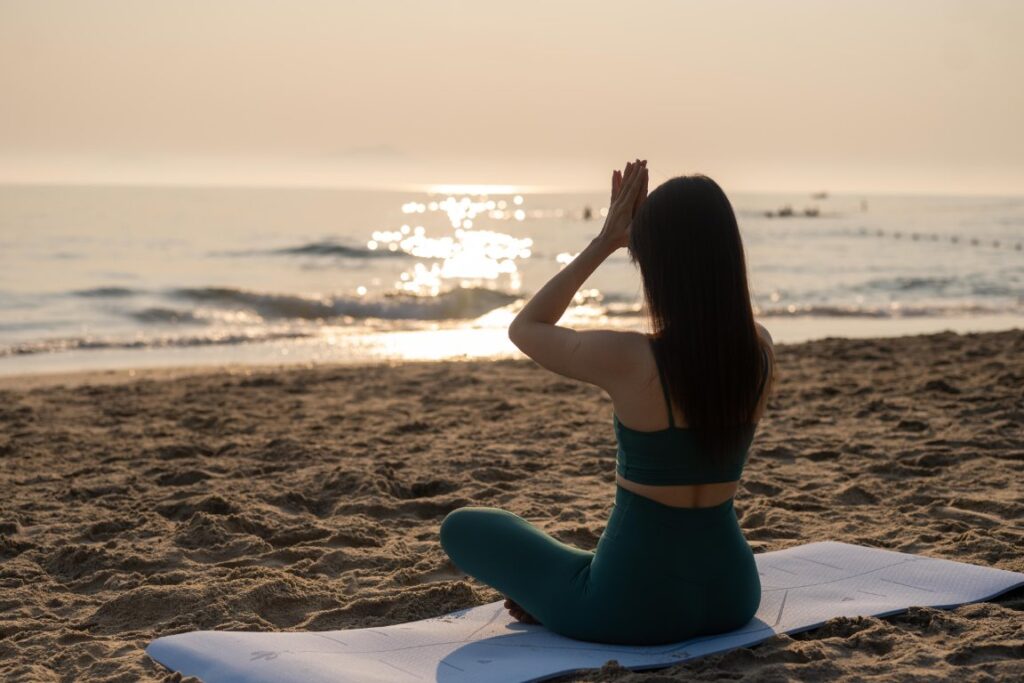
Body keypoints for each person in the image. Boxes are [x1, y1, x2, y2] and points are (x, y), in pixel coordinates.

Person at [440, 160, 775, 645]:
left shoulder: (631, 358)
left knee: (464, 527)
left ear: (654, 265)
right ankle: (562, 591)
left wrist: (605, 241)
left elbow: (525, 328)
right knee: (583, 565)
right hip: (734, 597)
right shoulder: (759, 350)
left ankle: (556, 600)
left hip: (632, 607)